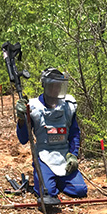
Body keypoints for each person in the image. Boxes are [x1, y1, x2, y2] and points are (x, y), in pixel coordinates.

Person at [15, 67, 87, 206]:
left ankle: (59, 179)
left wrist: (73, 154)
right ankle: (48, 179)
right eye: (52, 85)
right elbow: (23, 139)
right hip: (43, 155)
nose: (55, 89)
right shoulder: (33, 107)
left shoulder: (68, 105)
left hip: (64, 155)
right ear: (45, 85)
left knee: (80, 190)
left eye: (58, 86)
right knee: (47, 192)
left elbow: (74, 133)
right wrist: (22, 119)